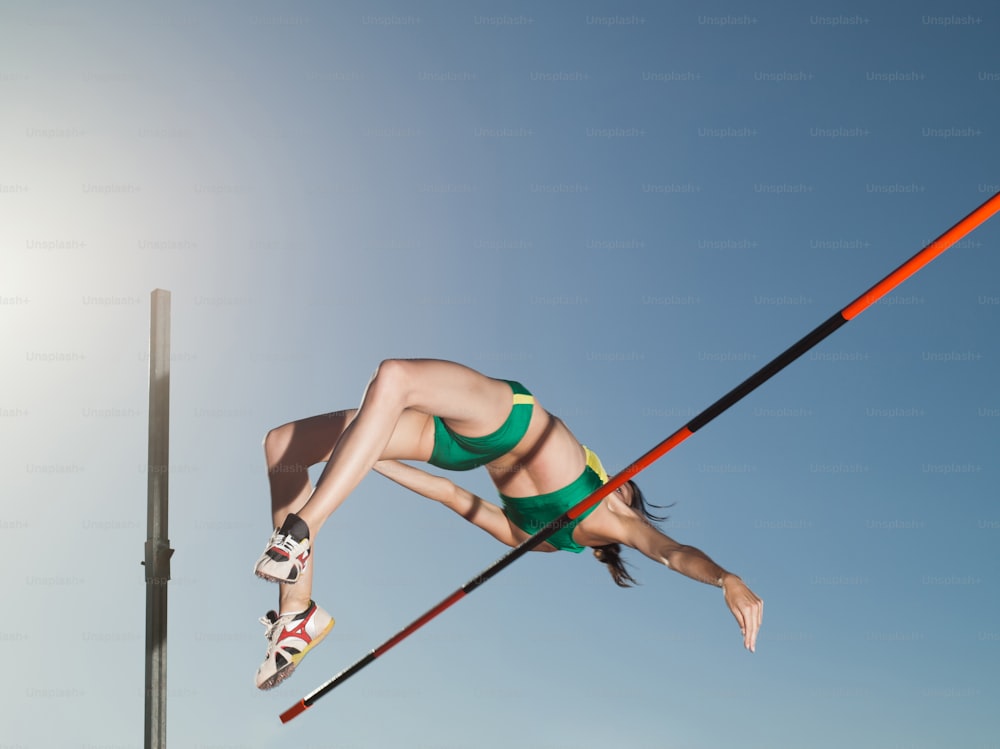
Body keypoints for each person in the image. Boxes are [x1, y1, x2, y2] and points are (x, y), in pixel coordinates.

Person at [253, 358, 763, 689]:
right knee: (285, 447)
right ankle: (298, 613)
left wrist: (726, 578)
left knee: (394, 377)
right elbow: (448, 493)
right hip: (500, 418)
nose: (624, 485)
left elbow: (672, 552)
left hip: (466, 447)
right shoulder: (567, 516)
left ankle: (301, 531)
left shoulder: (603, 519)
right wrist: (364, 454)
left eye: (630, 490)